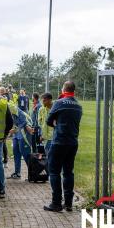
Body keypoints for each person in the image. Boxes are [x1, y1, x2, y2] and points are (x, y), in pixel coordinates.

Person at [44, 81, 82, 212]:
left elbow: (49, 121)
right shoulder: (78, 105)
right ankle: (69, 203)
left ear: (63, 89)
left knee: (54, 171)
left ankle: (56, 203)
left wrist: (56, 124)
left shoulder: (59, 103)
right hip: (72, 142)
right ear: (74, 91)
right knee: (68, 172)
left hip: (59, 141)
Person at [7, 103, 33, 179]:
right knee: (16, 152)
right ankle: (17, 173)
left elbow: (24, 123)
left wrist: (14, 130)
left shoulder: (17, 111)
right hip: (16, 134)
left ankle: (32, 173)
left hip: (24, 134)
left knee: (25, 153)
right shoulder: (8, 110)